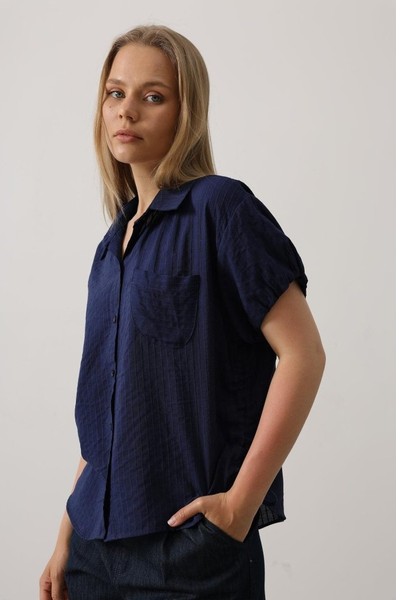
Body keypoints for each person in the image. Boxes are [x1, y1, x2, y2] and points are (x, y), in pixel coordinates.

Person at [39, 24, 326, 600]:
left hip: (191, 554)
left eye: (153, 96)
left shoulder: (221, 209)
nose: (127, 111)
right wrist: (66, 534)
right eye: (115, 93)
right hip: (93, 551)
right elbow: (108, 410)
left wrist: (239, 508)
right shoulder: (112, 247)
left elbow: (304, 355)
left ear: (185, 111)